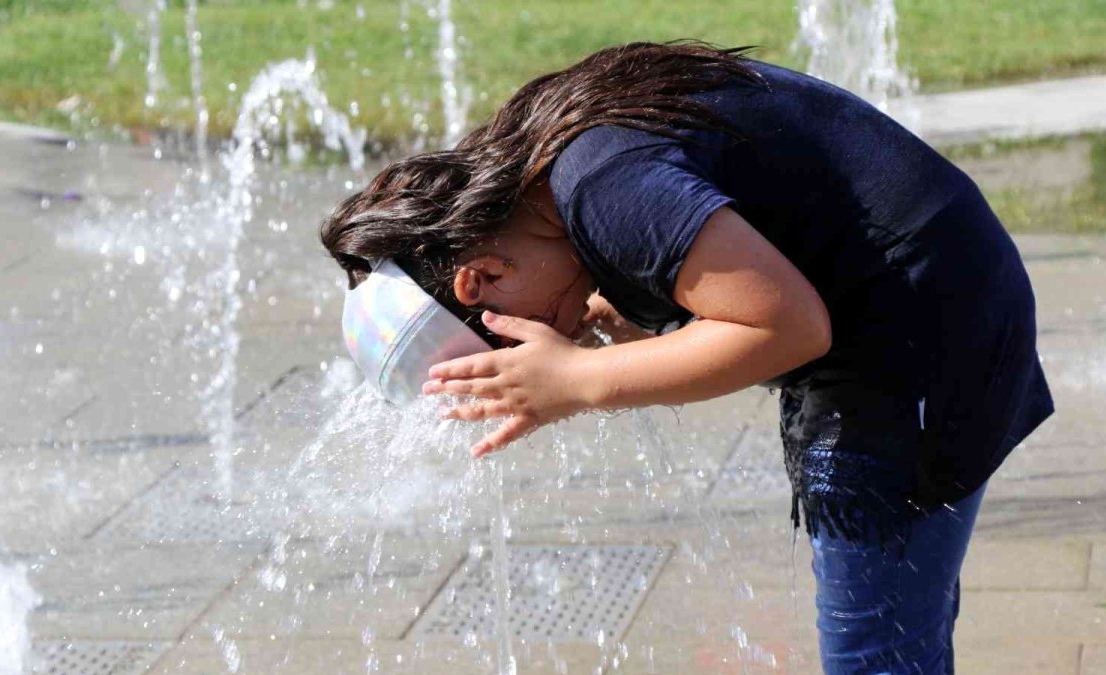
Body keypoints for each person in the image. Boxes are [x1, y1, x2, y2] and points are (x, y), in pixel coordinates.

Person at [320, 42, 1054, 674]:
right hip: (933, 285)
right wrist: (618, 326)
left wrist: (579, 380)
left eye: (518, 339)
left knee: (872, 648)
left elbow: (790, 325)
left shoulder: (603, 185)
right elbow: (738, 257)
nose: (551, 341)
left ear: (479, 278)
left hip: (921, 324)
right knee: (899, 618)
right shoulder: (550, 156)